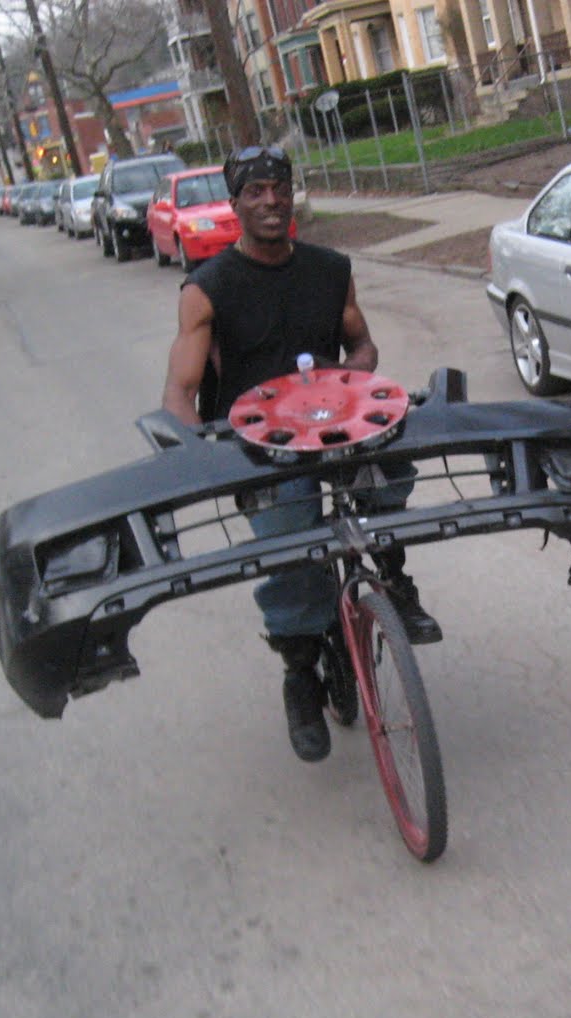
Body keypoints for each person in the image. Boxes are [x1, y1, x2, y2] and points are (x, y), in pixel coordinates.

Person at [160, 144, 440, 763]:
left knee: (388, 467)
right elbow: (180, 392)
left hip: (332, 426)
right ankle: (299, 671)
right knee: (290, 537)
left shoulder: (330, 268)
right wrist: (201, 460)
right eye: (254, 191)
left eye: (278, 188)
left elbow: (362, 344)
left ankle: (392, 577)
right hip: (259, 450)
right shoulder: (207, 290)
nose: (270, 200)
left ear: (291, 194)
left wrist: (353, 377)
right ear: (234, 204)